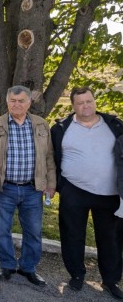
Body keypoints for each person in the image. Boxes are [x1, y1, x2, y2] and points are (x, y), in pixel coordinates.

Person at [51, 86, 123, 299]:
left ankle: (111, 281)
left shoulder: (114, 125)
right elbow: (52, 157)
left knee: (111, 238)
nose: (85, 106)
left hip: (109, 193)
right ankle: (76, 275)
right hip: (74, 190)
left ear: (94, 101)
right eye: (80, 102)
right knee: (72, 235)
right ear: (73, 106)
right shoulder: (61, 128)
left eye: (89, 101)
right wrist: (59, 185)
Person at [0, 85, 55, 287]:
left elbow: (49, 156)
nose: (17, 105)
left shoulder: (41, 125)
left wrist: (51, 184)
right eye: (13, 101)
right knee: (2, 229)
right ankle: (7, 265)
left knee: (33, 230)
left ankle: (28, 267)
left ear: (29, 103)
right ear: (7, 102)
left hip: (33, 189)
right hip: (3, 188)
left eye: (21, 101)